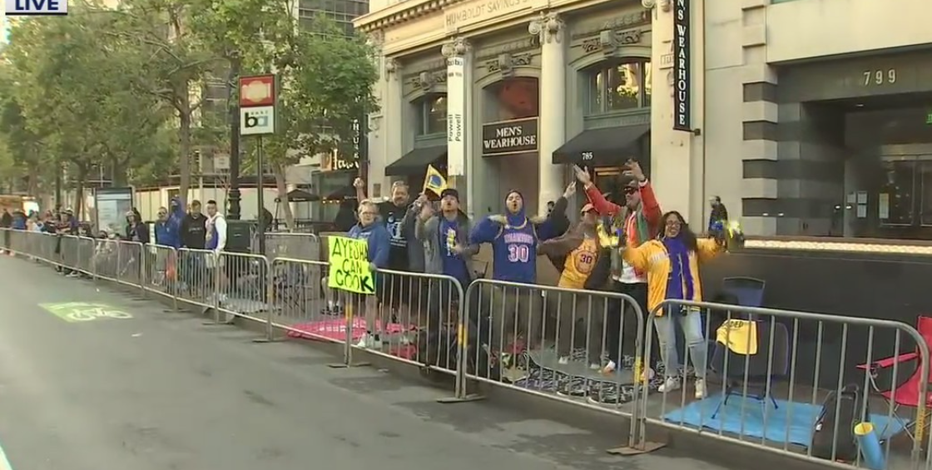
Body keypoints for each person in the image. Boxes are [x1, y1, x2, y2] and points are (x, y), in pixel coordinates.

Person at [620, 210, 726, 398]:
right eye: (669, 223)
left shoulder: (691, 245)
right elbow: (635, 257)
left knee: (696, 341)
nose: (673, 226)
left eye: (676, 223)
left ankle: (701, 379)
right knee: (667, 344)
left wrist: (719, 238)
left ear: (681, 226)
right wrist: (622, 247)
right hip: (662, 304)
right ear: (663, 226)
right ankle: (672, 377)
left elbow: (711, 248)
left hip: (688, 301)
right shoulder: (651, 247)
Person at [574, 160, 662, 375]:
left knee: (645, 323)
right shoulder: (623, 214)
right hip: (621, 276)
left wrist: (643, 181)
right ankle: (615, 358)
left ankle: (649, 365)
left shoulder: (649, 217)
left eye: (632, 191)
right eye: (626, 191)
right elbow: (604, 207)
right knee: (614, 321)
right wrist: (588, 185)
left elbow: (652, 208)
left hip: (642, 280)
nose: (628, 194)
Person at [468, 185, 569, 350]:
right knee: (500, 328)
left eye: (517, 198)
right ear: (506, 203)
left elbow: (554, 222)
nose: (514, 200)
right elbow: (475, 235)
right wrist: (491, 218)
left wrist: (564, 197)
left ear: (523, 202)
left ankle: (527, 360)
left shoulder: (532, 227)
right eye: (510, 198)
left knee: (531, 328)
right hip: (503, 287)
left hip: (528, 287)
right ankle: (498, 359)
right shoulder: (499, 227)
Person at [538, 202, 609, 367]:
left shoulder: (602, 238)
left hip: (590, 287)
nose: (591, 216)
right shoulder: (574, 233)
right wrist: (540, 247)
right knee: (566, 320)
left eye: (594, 213)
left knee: (593, 322)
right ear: (582, 216)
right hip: (569, 283)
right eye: (588, 213)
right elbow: (557, 243)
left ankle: (594, 358)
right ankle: (563, 353)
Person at [354, 178, 423, 319]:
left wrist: (424, 201)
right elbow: (365, 205)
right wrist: (359, 189)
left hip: (406, 262)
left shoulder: (413, 209)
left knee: (404, 302)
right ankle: (383, 330)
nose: (399, 196)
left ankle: (404, 332)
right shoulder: (385, 208)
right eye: (397, 193)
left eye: (403, 193)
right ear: (391, 194)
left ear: (408, 196)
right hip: (387, 262)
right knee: (385, 301)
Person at [413, 188, 477, 331]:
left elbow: (475, 247)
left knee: (469, 312)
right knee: (434, 311)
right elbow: (420, 236)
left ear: (458, 203)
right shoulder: (434, 222)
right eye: (445, 199)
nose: (448, 201)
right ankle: (434, 342)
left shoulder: (466, 222)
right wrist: (420, 218)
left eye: (452, 199)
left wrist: (463, 250)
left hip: (462, 275)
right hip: (440, 274)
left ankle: (466, 342)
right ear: (440, 204)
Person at [348, 200, 391, 349]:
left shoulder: (380, 231)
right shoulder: (354, 230)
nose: (367, 216)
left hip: (374, 273)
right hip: (356, 273)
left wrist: (374, 264)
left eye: (371, 213)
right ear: (358, 215)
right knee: (362, 305)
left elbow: (383, 250)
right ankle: (372, 334)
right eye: (364, 213)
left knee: (371, 304)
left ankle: (370, 334)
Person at [205, 200, 229, 313]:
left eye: (212, 208)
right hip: (209, 249)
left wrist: (219, 249)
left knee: (220, 272)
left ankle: (223, 293)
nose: (210, 210)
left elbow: (222, 235)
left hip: (216, 250)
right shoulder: (208, 221)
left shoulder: (219, 220)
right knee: (213, 272)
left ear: (216, 208)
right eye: (208, 208)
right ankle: (217, 292)